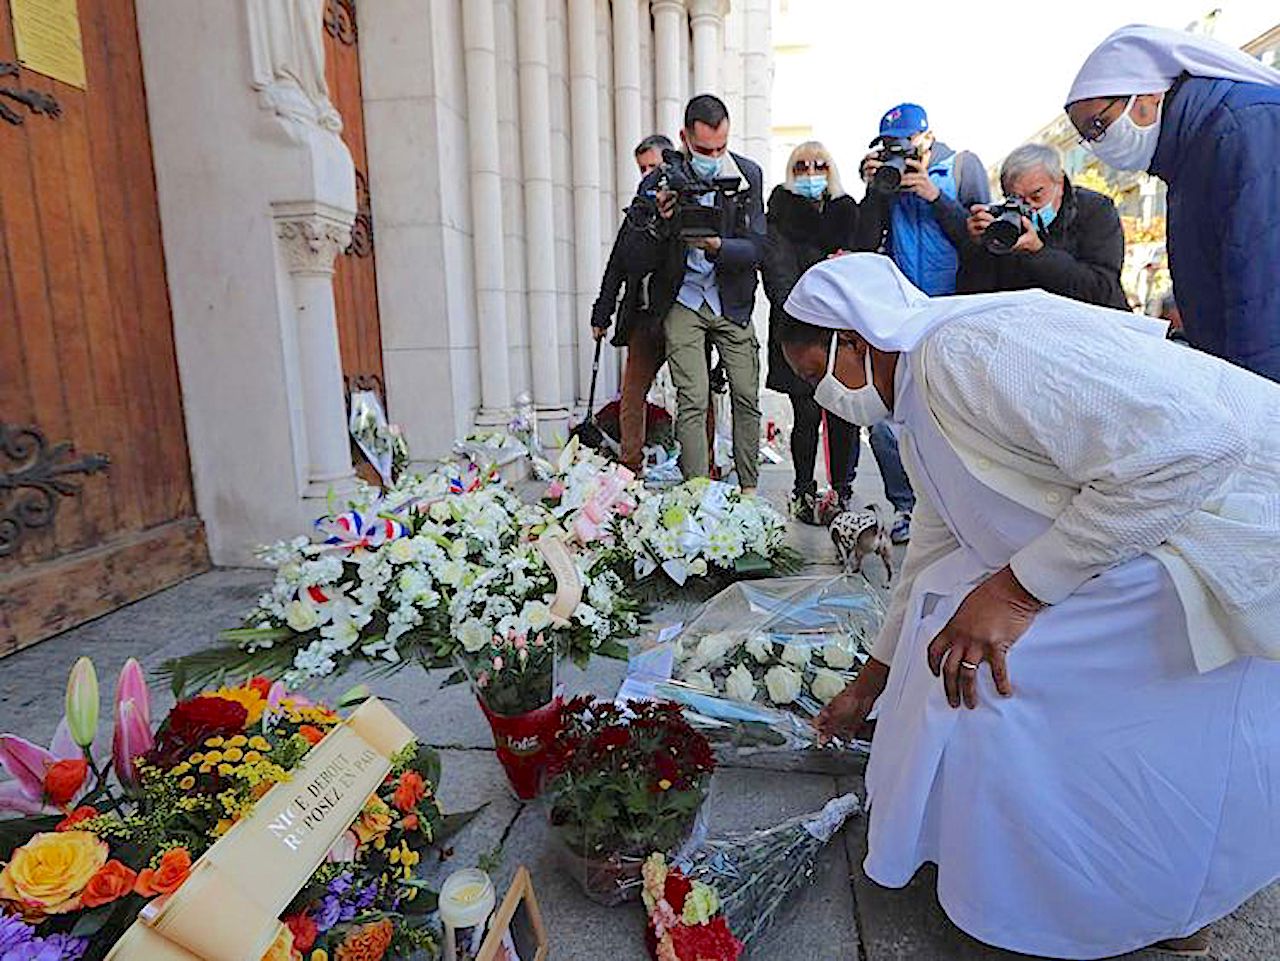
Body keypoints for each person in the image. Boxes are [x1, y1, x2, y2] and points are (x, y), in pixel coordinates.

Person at [779, 253, 1280, 959]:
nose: (824, 396)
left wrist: (1015, 593)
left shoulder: (960, 354)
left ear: (855, 340)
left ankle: (1148, 897)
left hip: (1218, 522)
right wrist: (869, 684)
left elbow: (1196, 447)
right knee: (945, 621)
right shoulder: (917, 399)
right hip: (1146, 524)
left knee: (996, 666)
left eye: (815, 375)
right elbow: (934, 542)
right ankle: (1004, 867)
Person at [1065, 24, 1280, 381]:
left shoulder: (1244, 129)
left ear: (1148, 93)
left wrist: (1255, 412)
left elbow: (1266, 292)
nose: (1098, 144)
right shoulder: (1188, 157)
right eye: (1088, 138)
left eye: (1099, 125)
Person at [616, 94, 766, 491]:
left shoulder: (748, 174)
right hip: (682, 300)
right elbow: (632, 256)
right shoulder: (658, 180)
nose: (713, 156)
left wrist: (720, 247)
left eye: (721, 147)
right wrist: (659, 222)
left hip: (730, 301)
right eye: (703, 150)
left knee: (747, 395)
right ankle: (698, 492)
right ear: (684, 138)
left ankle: (749, 489)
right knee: (693, 399)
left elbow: (758, 247)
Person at [591, 134, 715, 475]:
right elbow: (617, 264)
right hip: (643, 320)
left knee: (694, 395)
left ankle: (706, 467)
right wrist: (602, 313)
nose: (649, 174)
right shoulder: (637, 213)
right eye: (642, 168)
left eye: (655, 166)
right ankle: (630, 469)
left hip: (683, 317)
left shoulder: (688, 208)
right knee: (632, 394)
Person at [762, 141, 860, 523]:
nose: (810, 172)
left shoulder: (845, 213)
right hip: (797, 333)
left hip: (840, 333)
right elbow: (778, 276)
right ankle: (803, 491)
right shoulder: (781, 215)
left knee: (843, 416)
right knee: (805, 414)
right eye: (801, 166)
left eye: (819, 165)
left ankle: (842, 491)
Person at [961, 143, 1128, 309]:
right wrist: (979, 246)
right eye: (1016, 200)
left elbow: (1102, 289)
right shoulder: (1004, 221)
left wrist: (1039, 253)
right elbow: (977, 298)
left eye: (1036, 196)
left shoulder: (1096, 210)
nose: (1029, 207)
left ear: (1060, 183)